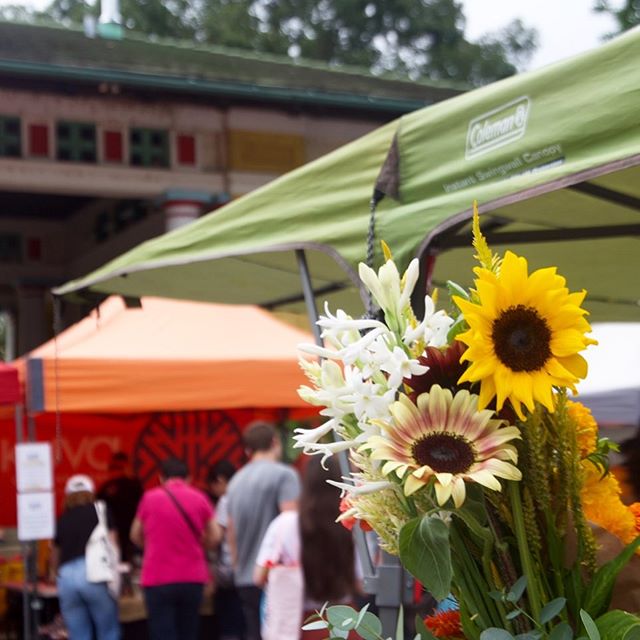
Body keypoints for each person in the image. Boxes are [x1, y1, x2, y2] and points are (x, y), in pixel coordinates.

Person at [254, 456, 359, 640]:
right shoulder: (350, 524)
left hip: (300, 624)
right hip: (347, 622)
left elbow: (258, 577)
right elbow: (361, 583)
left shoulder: (285, 524)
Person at [130, 457, 219, 640]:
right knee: (189, 631)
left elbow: (134, 534)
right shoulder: (199, 497)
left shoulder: (149, 498)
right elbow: (216, 535)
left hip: (157, 577)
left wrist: (151, 546)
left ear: (161, 478)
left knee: (162, 632)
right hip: (192, 577)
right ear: (189, 478)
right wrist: (201, 545)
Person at [226, 421, 300, 640]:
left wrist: (238, 565)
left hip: (245, 576)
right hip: (276, 576)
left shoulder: (235, 482)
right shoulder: (285, 475)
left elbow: (230, 531)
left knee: (253, 633)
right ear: (275, 442)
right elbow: (291, 523)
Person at [50, 474, 120, 640]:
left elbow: (54, 555)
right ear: (91, 492)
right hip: (94, 574)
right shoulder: (101, 510)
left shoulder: (61, 520)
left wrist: (54, 574)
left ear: (68, 495)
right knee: (108, 631)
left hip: (66, 577)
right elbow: (113, 544)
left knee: (78, 634)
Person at [207, 460, 246, 640]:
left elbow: (217, 536)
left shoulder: (226, 499)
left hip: (230, 570)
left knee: (230, 627)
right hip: (253, 569)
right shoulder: (250, 493)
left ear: (221, 480)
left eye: (213, 485)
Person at [97, 451, 143, 563]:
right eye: (114, 467)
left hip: (131, 529)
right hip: (112, 530)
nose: (117, 471)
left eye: (119, 467)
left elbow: (142, 508)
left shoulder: (134, 485)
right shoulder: (106, 488)